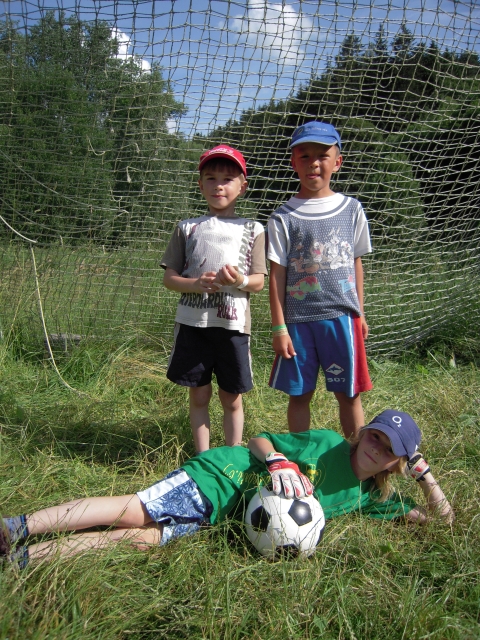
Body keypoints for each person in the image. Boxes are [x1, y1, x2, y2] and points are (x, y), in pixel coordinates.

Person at [1, 410, 453, 569]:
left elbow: (442, 522)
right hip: (221, 477)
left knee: (139, 541)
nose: (376, 448)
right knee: (133, 511)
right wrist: (277, 460)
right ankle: (17, 527)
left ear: (397, 462)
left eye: (390, 449)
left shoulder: (370, 498)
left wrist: (425, 476)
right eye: (375, 435)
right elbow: (259, 439)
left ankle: (25, 559)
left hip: (223, 516)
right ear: (363, 433)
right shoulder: (328, 443)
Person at [267, 121, 373, 438]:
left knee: (349, 395)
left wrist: (360, 312)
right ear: (293, 162)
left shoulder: (352, 209)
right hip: (298, 322)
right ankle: (300, 460)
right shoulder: (282, 216)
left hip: (342, 319)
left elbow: (355, 262)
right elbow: (277, 275)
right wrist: (279, 328)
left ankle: (357, 458)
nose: (313, 163)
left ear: (337, 162)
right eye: (305, 156)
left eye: (322, 156)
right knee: (300, 395)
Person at [161, 145, 267, 452]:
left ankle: (232, 455)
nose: (218, 185)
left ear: (242, 186)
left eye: (227, 179)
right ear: (200, 184)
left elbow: (258, 282)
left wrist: (238, 280)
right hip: (193, 326)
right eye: (211, 178)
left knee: (231, 398)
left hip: (233, 327)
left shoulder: (254, 229)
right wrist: (195, 284)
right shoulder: (187, 227)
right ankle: (203, 457)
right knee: (199, 395)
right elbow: (169, 279)